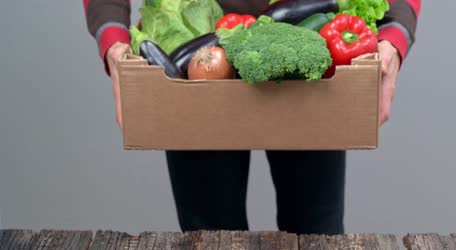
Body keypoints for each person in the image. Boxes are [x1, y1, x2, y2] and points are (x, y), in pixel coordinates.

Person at [83, 0, 420, 234]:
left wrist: (394, 37)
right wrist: (113, 41)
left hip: (311, 36)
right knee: (209, 239)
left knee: (317, 236)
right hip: (196, 55)